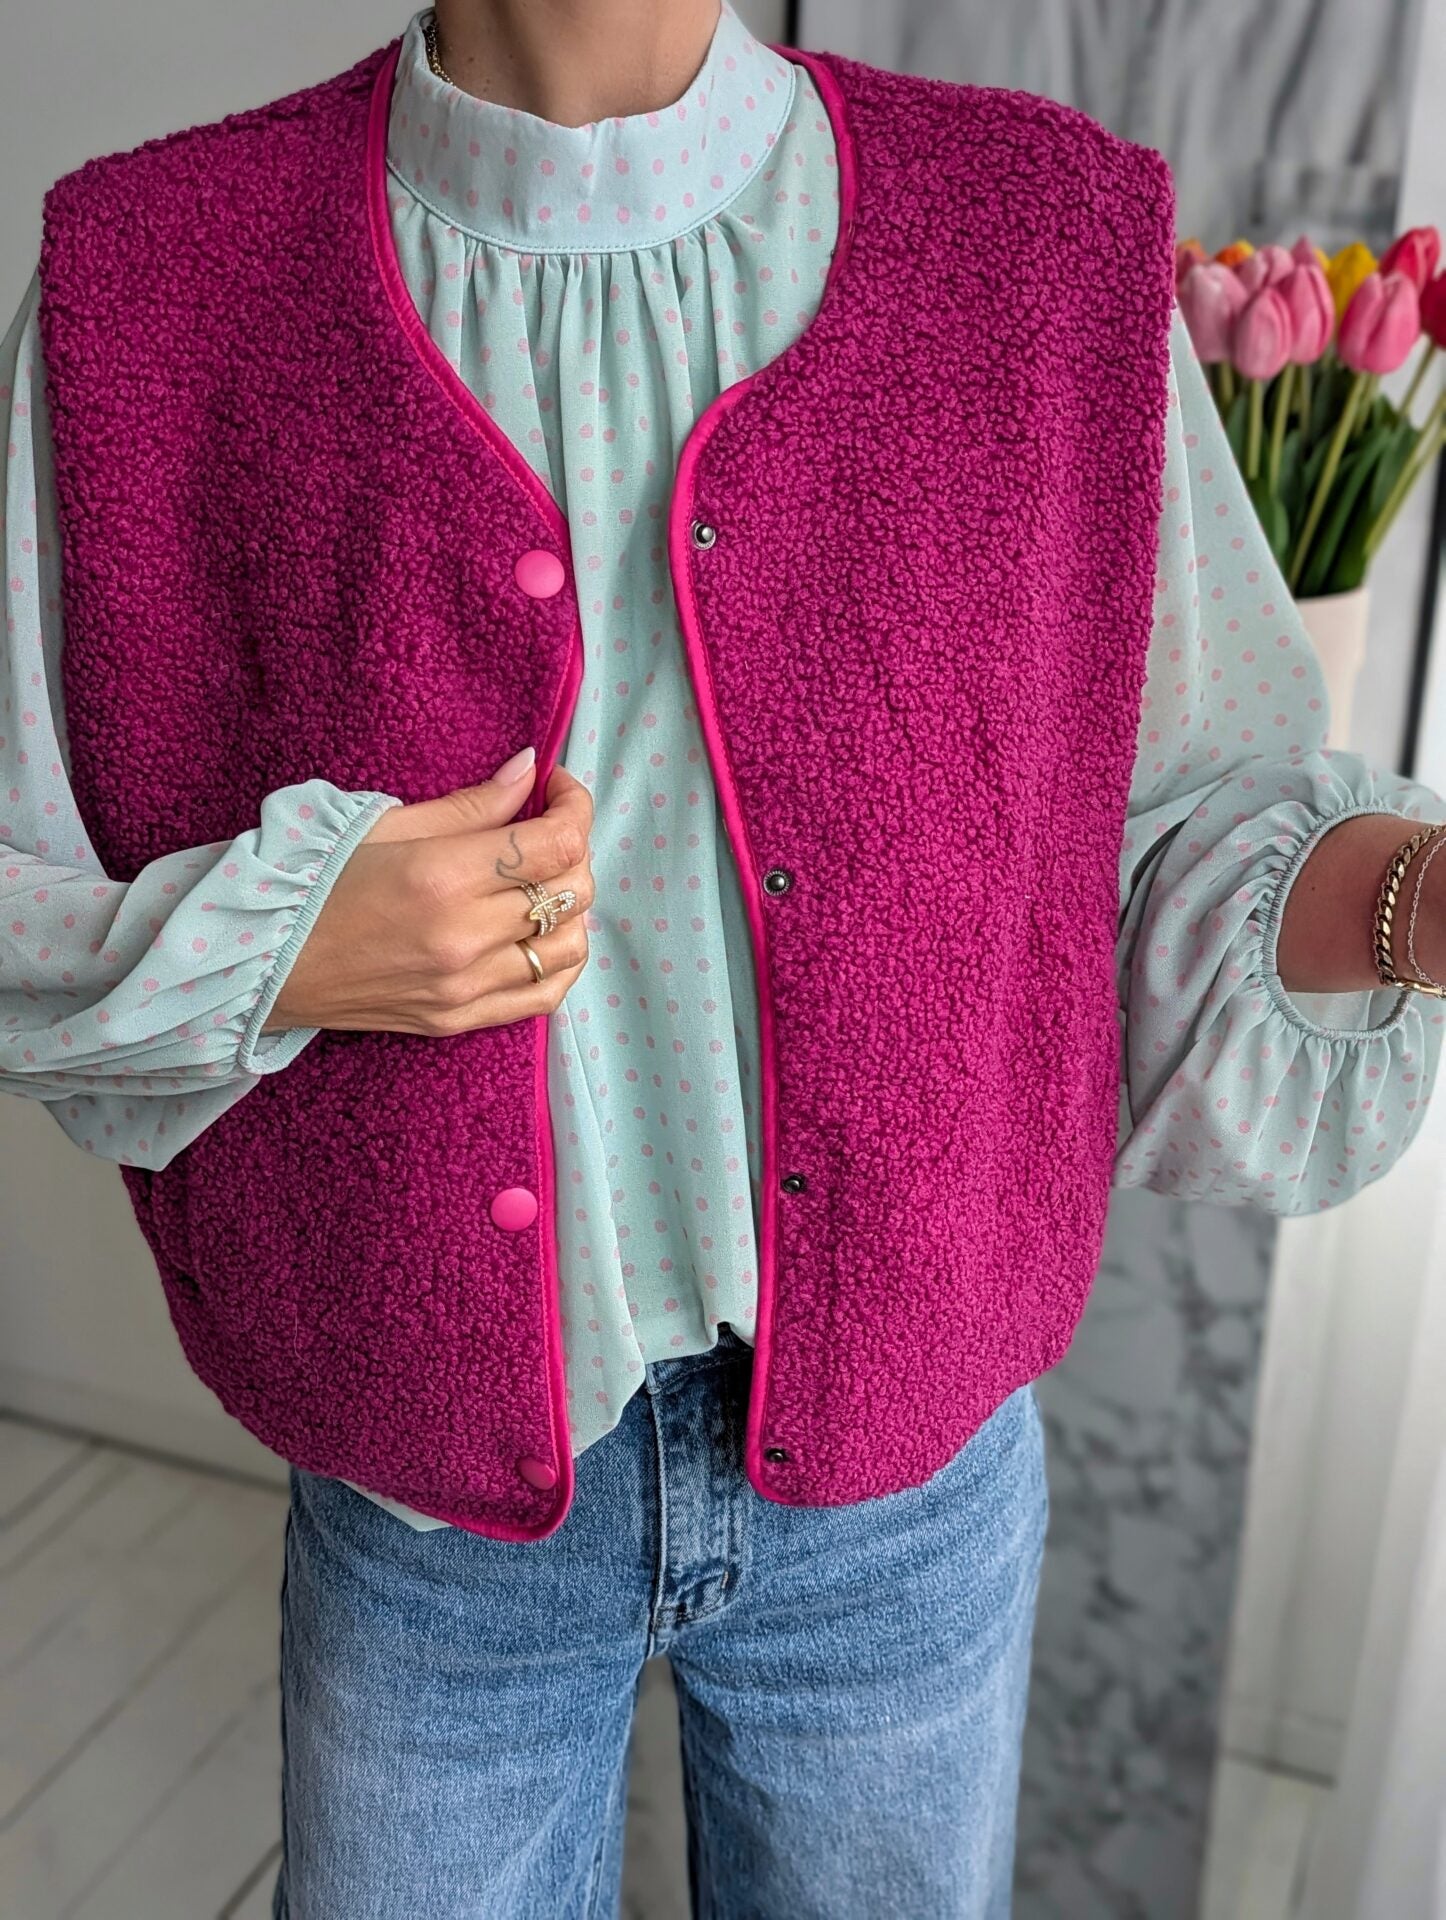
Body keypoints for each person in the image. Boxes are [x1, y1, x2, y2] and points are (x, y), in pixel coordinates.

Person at [3, 3, 1443, 1913]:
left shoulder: (1038, 244)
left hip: (905, 1502)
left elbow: (1168, 832)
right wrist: (283, 946)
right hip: (427, 1518)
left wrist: (1421, 899)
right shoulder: (155, 279)